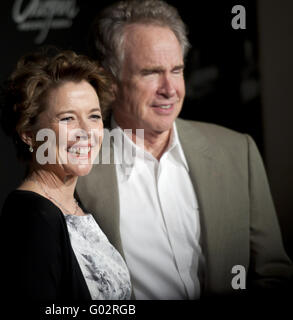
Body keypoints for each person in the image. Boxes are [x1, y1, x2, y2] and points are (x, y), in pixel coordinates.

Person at [76, 0, 293, 299]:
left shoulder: (236, 151)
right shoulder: (77, 169)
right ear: (110, 82)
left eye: (176, 70)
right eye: (151, 73)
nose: (170, 88)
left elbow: (273, 272)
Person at [0, 49, 132, 300]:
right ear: (27, 132)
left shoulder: (74, 202)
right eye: (68, 119)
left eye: (94, 116)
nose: (86, 132)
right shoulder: (32, 217)